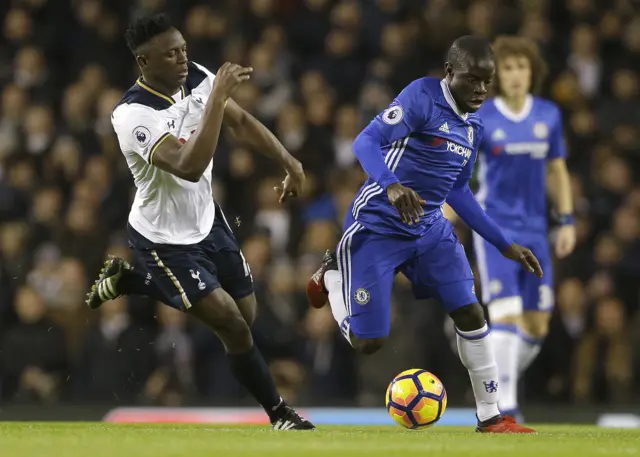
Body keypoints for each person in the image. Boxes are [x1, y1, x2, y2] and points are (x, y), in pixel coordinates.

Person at [85, 13, 314, 431]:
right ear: (144, 63)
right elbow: (189, 166)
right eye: (171, 53)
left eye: (184, 50)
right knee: (231, 325)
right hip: (162, 239)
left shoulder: (199, 79)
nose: (182, 59)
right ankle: (280, 414)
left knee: (247, 316)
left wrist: (289, 160)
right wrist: (217, 99)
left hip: (209, 222)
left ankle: (130, 282)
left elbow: (241, 122)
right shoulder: (132, 114)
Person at [306, 36, 541, 433]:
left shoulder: (473, 126)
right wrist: (391, 184)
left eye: (488, 81)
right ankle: (332, 278)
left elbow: (458, 191)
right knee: (369, 342)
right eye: (472, 80)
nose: (481, 90)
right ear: (450, 73)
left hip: (430, 228)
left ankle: (491, 417)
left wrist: (505, 244)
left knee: (470, 311)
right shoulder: (422, 97)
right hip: (377, 227)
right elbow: (365, 140)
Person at [473, 36, 575, 417]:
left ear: (532, 73)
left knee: (535, 324)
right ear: (498, 76)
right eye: (509, 68)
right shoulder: (483, 118)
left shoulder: (547, 115)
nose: (516, 75)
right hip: (495, 228)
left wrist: (565, 220)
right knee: (506, 310)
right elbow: (464, 174)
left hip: (536, 230)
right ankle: (505, 409)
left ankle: (492, 381)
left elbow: (556, 169)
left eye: (522, 67)